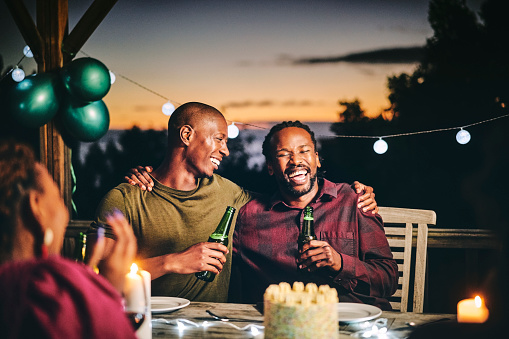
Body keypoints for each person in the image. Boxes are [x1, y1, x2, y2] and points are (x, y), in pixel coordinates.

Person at [93, 102, 378, 303]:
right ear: (186, 135)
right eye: (218, 139)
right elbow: (98, 280)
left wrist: (355, 191)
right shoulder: (125, 198)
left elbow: (289, 197)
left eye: (226, 141)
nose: (226, 150)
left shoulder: (231, 195)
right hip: (143, 322)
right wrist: (172, 262)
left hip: (211, 324)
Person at [229, 121, 398, 310]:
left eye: (304, 151)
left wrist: (340, 262)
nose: (295, 160)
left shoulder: (355, 200)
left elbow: (388, 280)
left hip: (354, 323)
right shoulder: (249, 217)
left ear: (316, 159)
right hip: (284, 325)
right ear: (270, 166)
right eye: (284, 154)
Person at [0, 140, 137, 339]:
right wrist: (107, 288)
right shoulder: (44, 291)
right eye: (57, 195)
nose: (64, 209)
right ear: (35, 208)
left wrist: (88, 277)